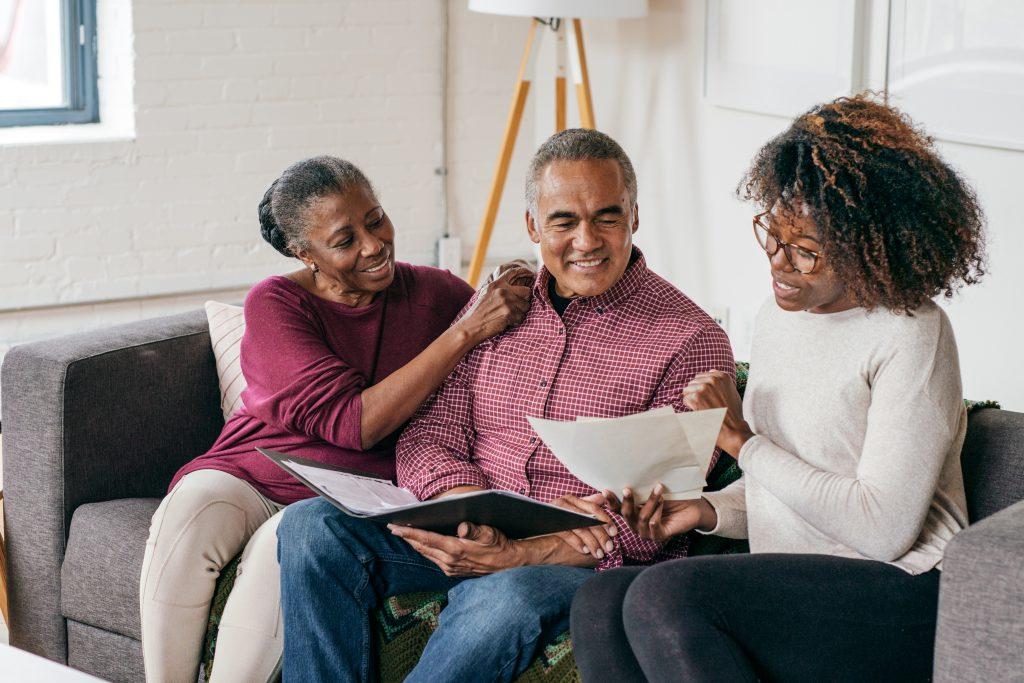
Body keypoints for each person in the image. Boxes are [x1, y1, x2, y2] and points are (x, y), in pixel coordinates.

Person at [275, 128, 734, 682]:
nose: (586, 241)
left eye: (607, 217)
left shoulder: (691, 340)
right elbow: (428, 436)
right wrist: (471, 508)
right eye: (564, 221)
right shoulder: (496, 310)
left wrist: (524, 550)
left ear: (634, 216)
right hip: (475, 524)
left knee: (502, 596)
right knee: (311, 528)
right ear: (533, 226)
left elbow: (658, 519)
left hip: (576, 562)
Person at [570, 94, 987, 682]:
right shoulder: (776, 318)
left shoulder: (912, 333)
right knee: (602, 600)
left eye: (807, 251)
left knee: (665, 597)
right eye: (773, 234)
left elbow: (881, 527)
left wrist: (742, 443)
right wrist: (705, 510)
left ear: (870, 245)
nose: (779, 263)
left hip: (906, 595)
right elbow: (788, 494)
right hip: (800, 580)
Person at [138, 156, 531, 683]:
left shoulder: (437, 294)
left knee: (285, 546)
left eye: (376, 220)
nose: (373, 245)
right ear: (305, 253)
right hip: (253, 470)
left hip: (351, 495)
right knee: (190, 510)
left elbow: (513, 339)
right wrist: (463, 333)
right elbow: (353, 422)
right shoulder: (277, 302)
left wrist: (523, 285)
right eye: (345, 240)